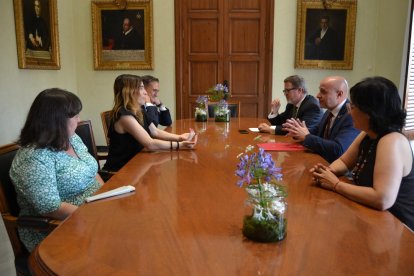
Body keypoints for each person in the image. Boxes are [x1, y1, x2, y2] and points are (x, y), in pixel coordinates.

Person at [311, 77, 414, 230]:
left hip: (396, 226)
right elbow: (344, 162)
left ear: (370, 112)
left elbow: (382, 199)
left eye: (352, 107)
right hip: (370, 217)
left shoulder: (392, 141)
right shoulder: (367, 134)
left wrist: (336, 184)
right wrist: (326, 172)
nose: (349, 112)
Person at [9, 89, 104, 252]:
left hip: (92, 212)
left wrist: (105, 195)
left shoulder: (72, 138)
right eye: (75, 116)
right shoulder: (34, 158)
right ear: (57, 121)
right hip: (57, 229)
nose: (79, 120)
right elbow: (51, 208)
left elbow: (91, 171)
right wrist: (95, 217)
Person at [102, 74, 197, 172]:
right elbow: (150, 144)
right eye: (142, 88)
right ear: (129, 92)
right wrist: (180, 145)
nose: (145, 93)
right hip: (119, 172)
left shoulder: (138, 111)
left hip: (136, 165)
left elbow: (155, 131)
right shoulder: (124, 116)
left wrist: (180, 137)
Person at [282, 76, 360, 162]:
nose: (318, 95)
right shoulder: (329, 112)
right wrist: (298, 132)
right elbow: (317, 133)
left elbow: (338, 149)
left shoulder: (351, 115)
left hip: (337, 170)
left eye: (323, 92)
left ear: (339, 94)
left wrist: (306, 137)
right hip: (320, 161)